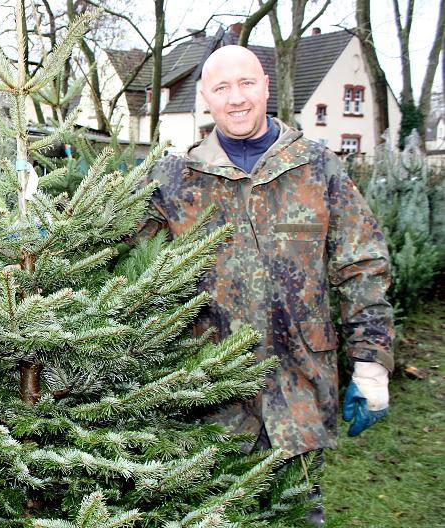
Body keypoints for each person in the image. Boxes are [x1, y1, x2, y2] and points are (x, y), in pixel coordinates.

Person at [140, 45, 394, 525]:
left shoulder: (317, 169)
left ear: (266, 87)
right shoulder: (174, 179)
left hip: (297, 388)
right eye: (222, 88)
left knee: (297, 512)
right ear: (205, 99)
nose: (236, 98)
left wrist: (371, 364)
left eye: (247, 83)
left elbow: (362, 267)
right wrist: (40, 225)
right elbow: (110, 243)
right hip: (210, 394)